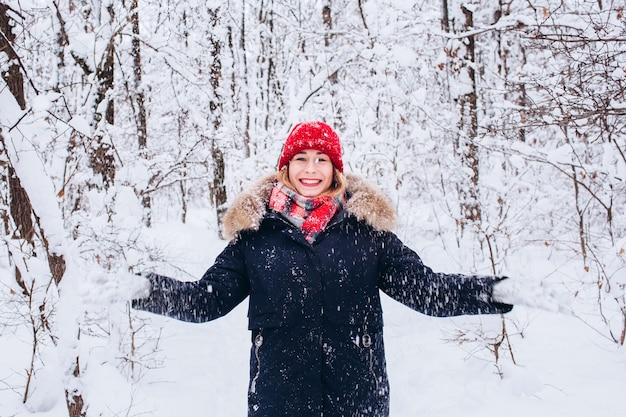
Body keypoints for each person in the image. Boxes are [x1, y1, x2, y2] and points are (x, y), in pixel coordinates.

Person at [132, 121, 513, 417]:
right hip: (280, 400)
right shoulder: (255, 235)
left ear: (336, 169)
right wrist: (141, 290)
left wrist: (493, 292)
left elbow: (425, 289)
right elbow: (206, 301)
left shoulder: (367, 232)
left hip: (356, 399)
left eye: (321, 159)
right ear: (285, 166)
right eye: (301, 158)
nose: (311, 169)